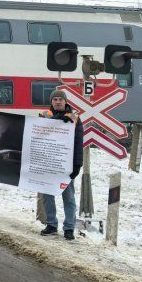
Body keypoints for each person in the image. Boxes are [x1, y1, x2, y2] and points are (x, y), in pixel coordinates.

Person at [40, 89, 84, 241]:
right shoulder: (44, 116)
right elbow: (36, 137)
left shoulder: (75, 118)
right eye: (55, 99)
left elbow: (79, 142)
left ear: (65, 101)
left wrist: (77, 164)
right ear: (51, 102)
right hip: (47, 163)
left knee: (69, 197)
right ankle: (51, 224)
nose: (58, 102)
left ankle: (69, 228)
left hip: (66, 166)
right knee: (47, 196)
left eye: (60, 99)